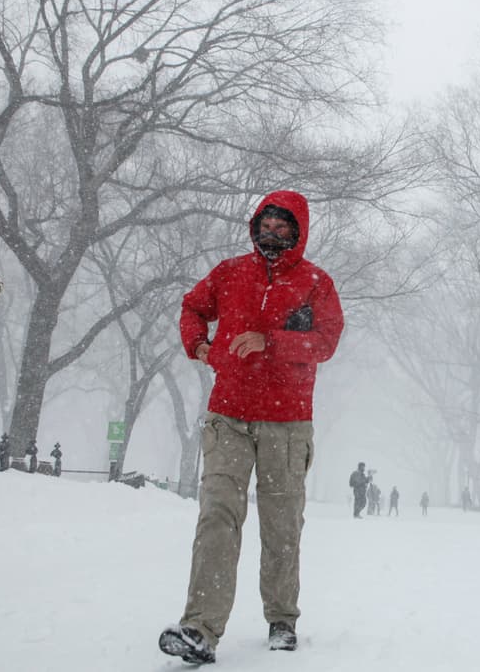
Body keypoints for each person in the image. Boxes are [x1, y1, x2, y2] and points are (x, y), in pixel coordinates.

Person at [159, 191, 345, 665]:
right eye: (267, 222)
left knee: (281, 524)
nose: (273, 231)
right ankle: (199, 627)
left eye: (284, 226)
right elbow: (191, 307)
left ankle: (282, 618)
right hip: (228, 417)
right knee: (217, 517)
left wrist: (272, 343)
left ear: (298, 232)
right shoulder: (229, 272)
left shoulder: (315, 283)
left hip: (287, 422)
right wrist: (197, 346)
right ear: (255, 225)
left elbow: (326, 341)